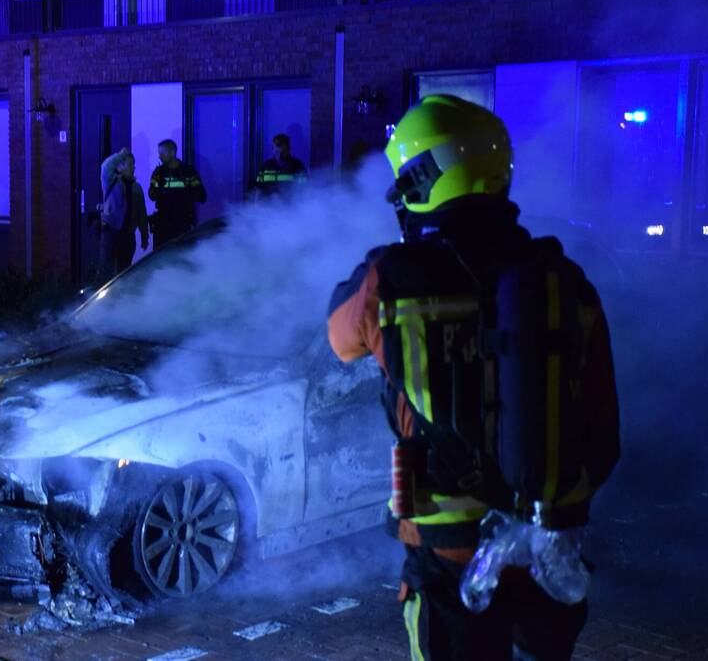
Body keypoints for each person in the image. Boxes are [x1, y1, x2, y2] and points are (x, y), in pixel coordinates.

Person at [327, 95, 619, 660]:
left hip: (448, 555)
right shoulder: (564, 282)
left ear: (423, 179)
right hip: (548, 546)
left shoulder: (391, 279)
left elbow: (339, 338)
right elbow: (604, 422)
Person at [98, 147, 149, 282]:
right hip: (111, 233)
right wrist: (121, 155)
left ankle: (122, 301)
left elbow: (141, 214)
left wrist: (145, 236)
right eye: (130, 164)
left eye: (134, 164)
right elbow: (105, 166)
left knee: (125, 273)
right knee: (106, 271)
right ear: (120, 166)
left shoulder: (137, 188)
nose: (134, 167)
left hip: (128, 236)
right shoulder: (111, 180)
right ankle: (105, 302)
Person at [147, 139, 207, 249]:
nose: (159, 157)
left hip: (183, 226)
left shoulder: (188, 172)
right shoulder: (158, 173)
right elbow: (151, 195)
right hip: (163, 228)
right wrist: (162, 190)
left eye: (162, 153)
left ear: (172, 153)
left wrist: (182, 194)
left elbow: (202, 196)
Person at [254, 133, 307, 198]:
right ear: (272, 149)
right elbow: (259, 190)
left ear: (288, 148)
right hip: (267, 206)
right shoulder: (265, 166)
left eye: (282, 146)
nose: (279, 149)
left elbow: (303, 191)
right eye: (277, 146)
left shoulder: (297, 166)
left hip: (290, 207)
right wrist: (256, 206)